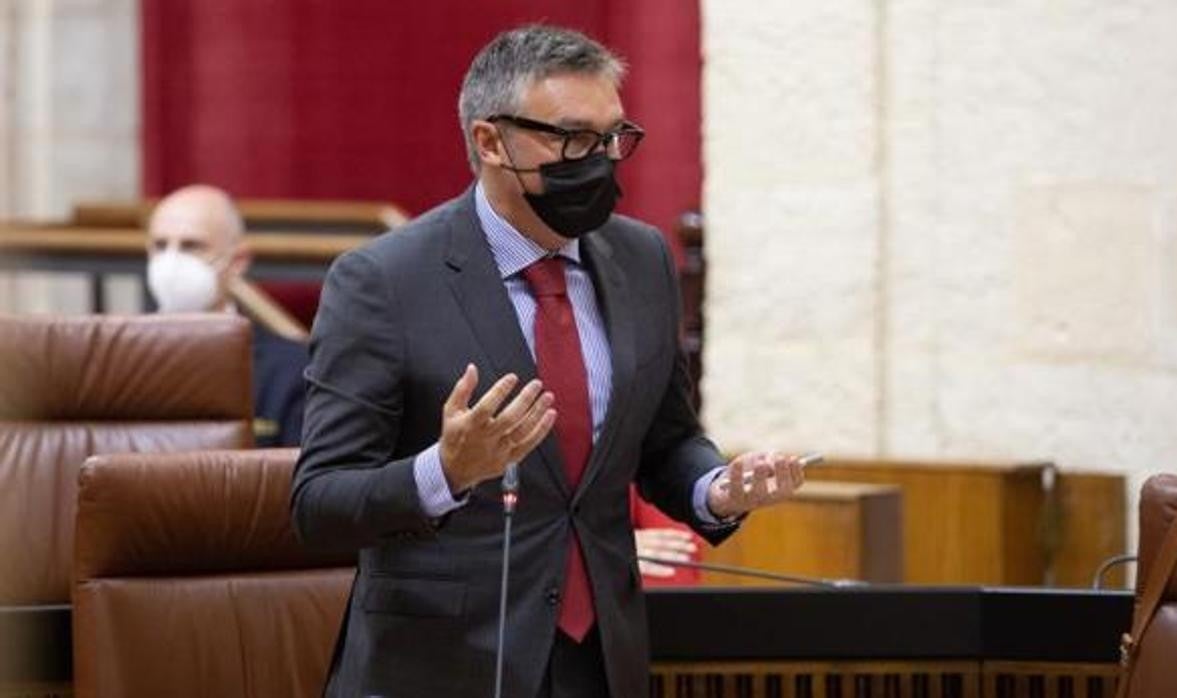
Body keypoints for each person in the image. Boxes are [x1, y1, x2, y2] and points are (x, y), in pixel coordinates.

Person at [290, 25, 805, 698]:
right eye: (572, 139)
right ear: (490, 142)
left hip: (599, 657)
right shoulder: (383, 281)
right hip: (442, 665)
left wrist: (714, 489)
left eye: (612, 137)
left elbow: (666, 439)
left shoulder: (642, 259)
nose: (600, 160)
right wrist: (445, 471)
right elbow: (319, 502)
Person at [145, 184, 306, 447]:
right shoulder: (117, 362)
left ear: (238, 260)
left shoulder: (291, 371)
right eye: (160, 246)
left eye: (191, 246)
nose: (171, 261)